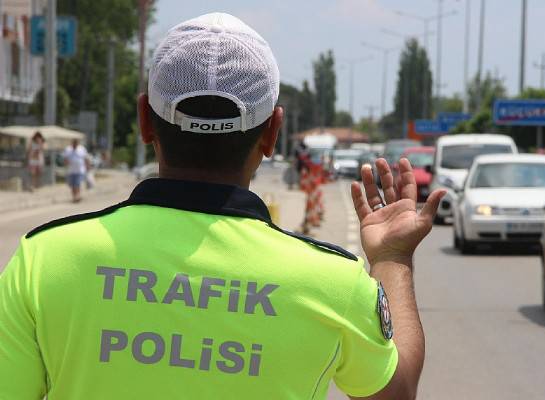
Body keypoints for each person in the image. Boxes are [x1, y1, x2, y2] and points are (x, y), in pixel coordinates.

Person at [0, 13, 445, 400]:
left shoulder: (45, 259)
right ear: (272, 133)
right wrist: (392, 261)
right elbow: (395, 392)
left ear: (143, 121)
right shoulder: (334, 282)